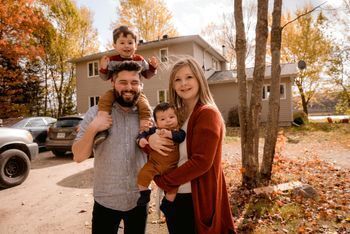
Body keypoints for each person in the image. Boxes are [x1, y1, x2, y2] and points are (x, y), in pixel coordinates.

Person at [148, 57, 236, 234]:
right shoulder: (176, 116)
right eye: (177, 79)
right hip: (176, 197)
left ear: (199, 79)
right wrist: (149, 139)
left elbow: (201, 162)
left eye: (189, 77)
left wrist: (163, 181)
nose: (183, 84)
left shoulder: (207, 113)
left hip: (193, 200)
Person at [72, 61, 148, 234]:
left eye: (134, 82)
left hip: (139, 201)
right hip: (105, 201)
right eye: (123, 82)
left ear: (141, 86)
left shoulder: (148, 117)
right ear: (113, 83)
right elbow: (78, 156)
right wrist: (93, 128)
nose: (129, 87)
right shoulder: (95, 113)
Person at [95, 25, 158, 145]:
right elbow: (105, 77)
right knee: (104, 101)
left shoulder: (139, 59)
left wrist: (152, 67)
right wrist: (103, 68)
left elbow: (147, 75)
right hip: (116, 91)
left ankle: (145, 130)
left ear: (136, 45)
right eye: (122, 42)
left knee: (145, 106)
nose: (126, 46)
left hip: (136, 93)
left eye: (130, 42)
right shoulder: (112, 60)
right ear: (115, 45)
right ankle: (102, 128)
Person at [136, 102, 186, 206]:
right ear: (157, 123)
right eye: (162, 119)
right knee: (142, 176)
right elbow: (143, 132)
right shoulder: (155, 130)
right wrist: (141, 140)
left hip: (172, 167)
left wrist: (170, 134)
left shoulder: (178, 131)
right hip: (154, 164)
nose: (168, 120)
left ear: (177, 117)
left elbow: (181, 137)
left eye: (171, 117)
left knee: (173, 188)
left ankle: (167, 204)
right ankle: (145, 193)